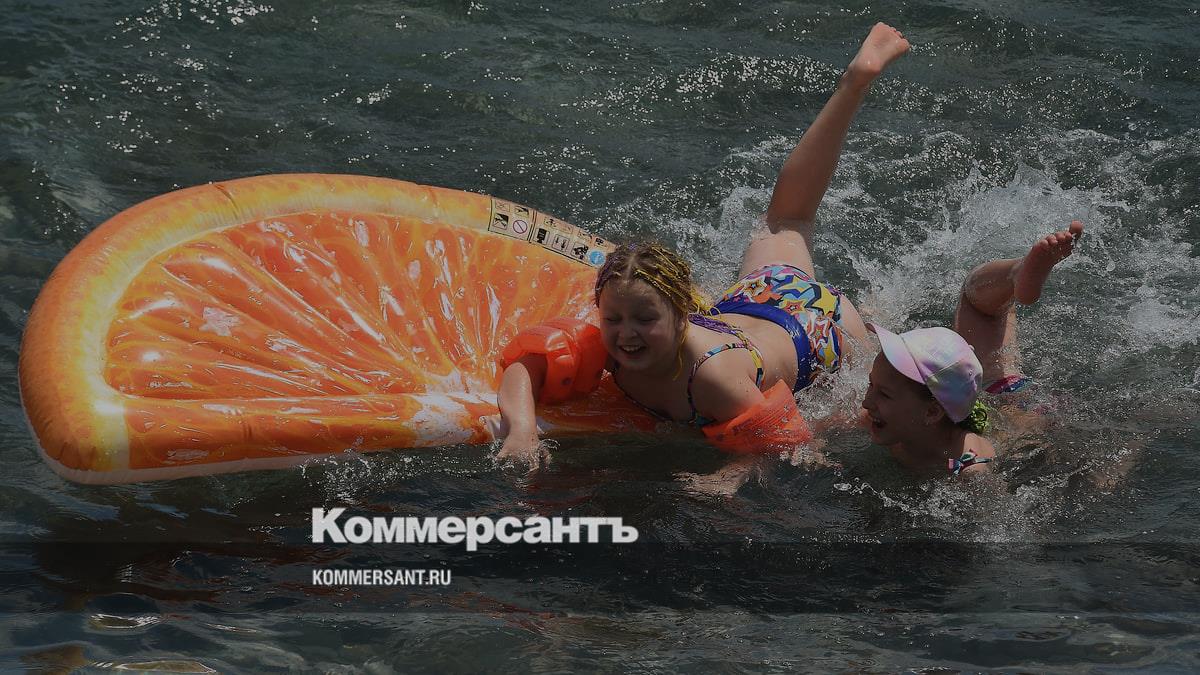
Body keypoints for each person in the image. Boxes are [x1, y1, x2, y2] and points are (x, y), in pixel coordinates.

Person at [495, 23, 914, 465]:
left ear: (683, 315)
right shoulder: (610, 344)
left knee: (847, 420)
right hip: (758, 294)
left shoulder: (713, 378)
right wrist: (522, 432)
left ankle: (855, 83)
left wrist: (727, 475)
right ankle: (855, 82)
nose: (626, 332)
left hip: (815, 328)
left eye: (644, 319)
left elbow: (779, 441)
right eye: (613, 318)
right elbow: (527, 365)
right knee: (784, 222)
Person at [861, 220, 1083, 477]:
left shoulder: (968, 460)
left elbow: (991, 495)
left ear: (931, 412)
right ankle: (1016, 272)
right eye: (870, 384)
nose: (866, 402)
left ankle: (1016, 278)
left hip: (1025, 408)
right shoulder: (880, 416)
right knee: (973, 297)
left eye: (884, 394)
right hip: (978, 395)